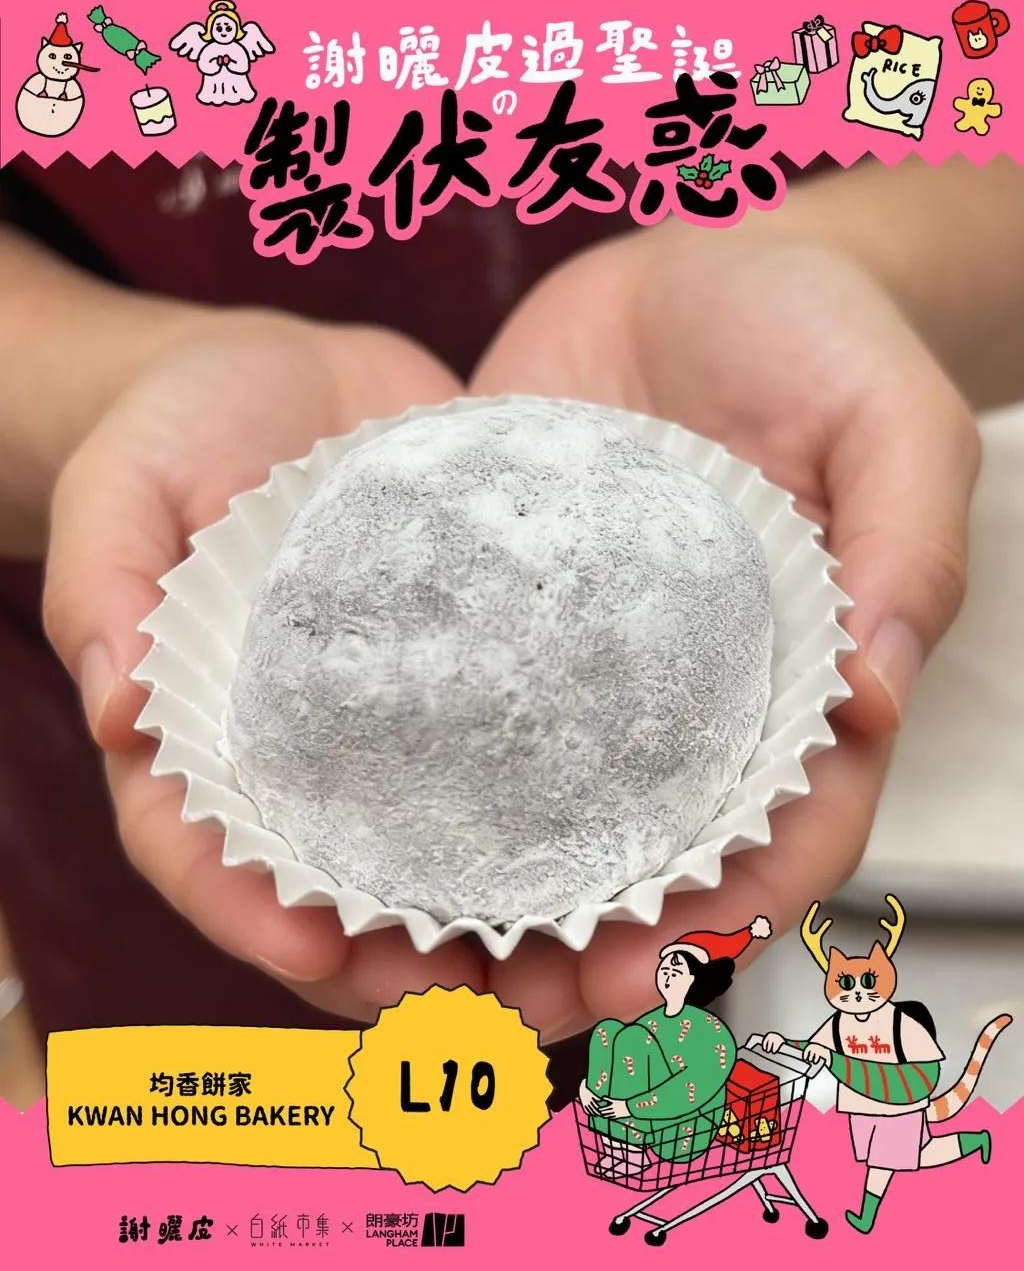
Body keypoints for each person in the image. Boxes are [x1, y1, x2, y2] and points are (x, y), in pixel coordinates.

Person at [1, 153, 1024, 1082]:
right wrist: (105, 387)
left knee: (657, 1105)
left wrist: (855, 263)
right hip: (151, 881)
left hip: (694, 913)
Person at [580, 917, 770, 1177]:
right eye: (665, 967)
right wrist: (588, 1090)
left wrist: (629, 1107)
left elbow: (691, 1089)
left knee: (633, 1038)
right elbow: (619, 1063)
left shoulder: (712, 1033)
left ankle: (632, 1152)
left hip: (683, 1130)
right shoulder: (651, 1019)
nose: (667, 974)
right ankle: (615, 1146)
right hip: (640, 1116)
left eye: (676, 970)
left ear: (695, 979)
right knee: (608, 1030)